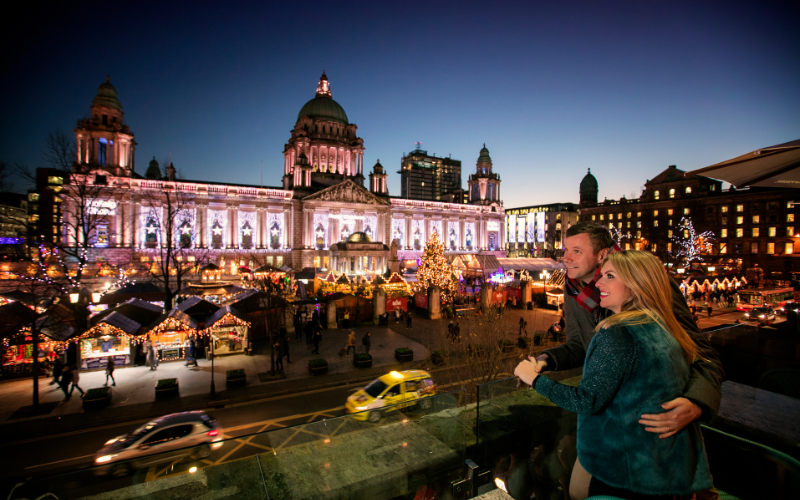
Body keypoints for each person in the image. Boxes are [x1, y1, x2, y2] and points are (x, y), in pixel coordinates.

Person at [530, 223, 723, 500]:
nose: (566, 258)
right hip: (608, 424)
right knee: (578, 490)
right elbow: (579, 345)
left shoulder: (650, 282)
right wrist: (546, 359)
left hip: (657, 423)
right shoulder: (573, 290)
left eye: (576, 251)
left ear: (602, 253)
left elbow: (701, 352)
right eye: (565, 250)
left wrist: (697, 404)